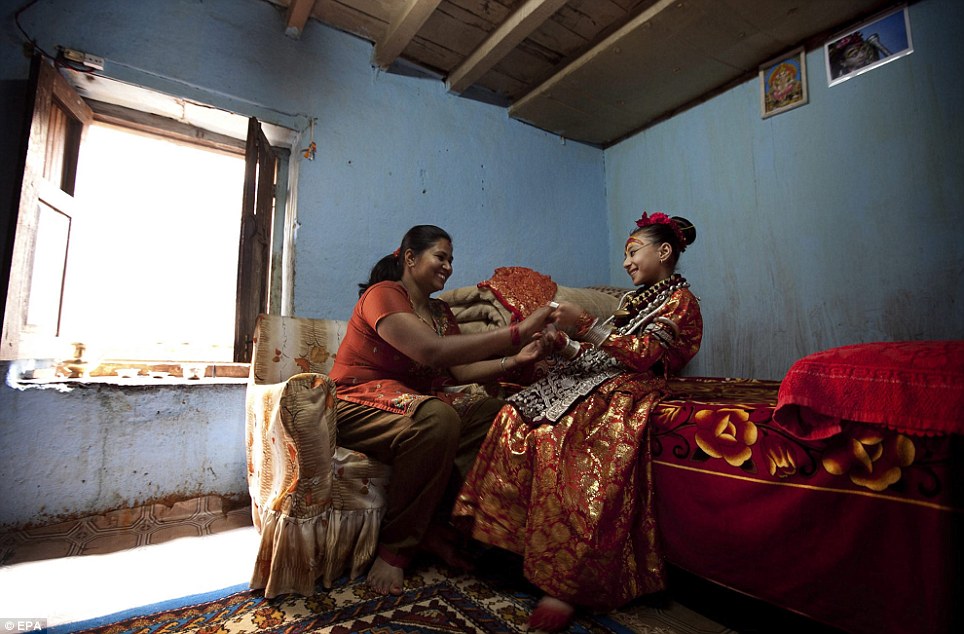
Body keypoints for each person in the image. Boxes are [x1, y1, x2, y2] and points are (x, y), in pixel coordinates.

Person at [452, 213, 703, 632]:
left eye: (633, 252)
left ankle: (565, 582)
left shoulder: (681, 303)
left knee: (568, 438)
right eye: (625, 254)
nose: (626, 263)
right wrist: (563, 343)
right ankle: (509, 546)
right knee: (514, 414)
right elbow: (602, 356)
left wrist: (584, 324)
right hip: (604, 378)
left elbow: (641, 356)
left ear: (664, 251)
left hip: (635, 387)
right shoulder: (632, 303)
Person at [329, 224, 552, 597]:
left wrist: (517, 358)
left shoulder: (441, 312)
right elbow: (430, 352)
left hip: (412, 405)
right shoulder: (382, 295)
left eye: (451, 260)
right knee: (438, 416)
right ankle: (395, 550)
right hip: (357, 401)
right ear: (411, 258)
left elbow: (461, 371)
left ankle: (466, 529)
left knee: (495, 412)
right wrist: (516, 333)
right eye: (440, 257)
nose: (448, 266)